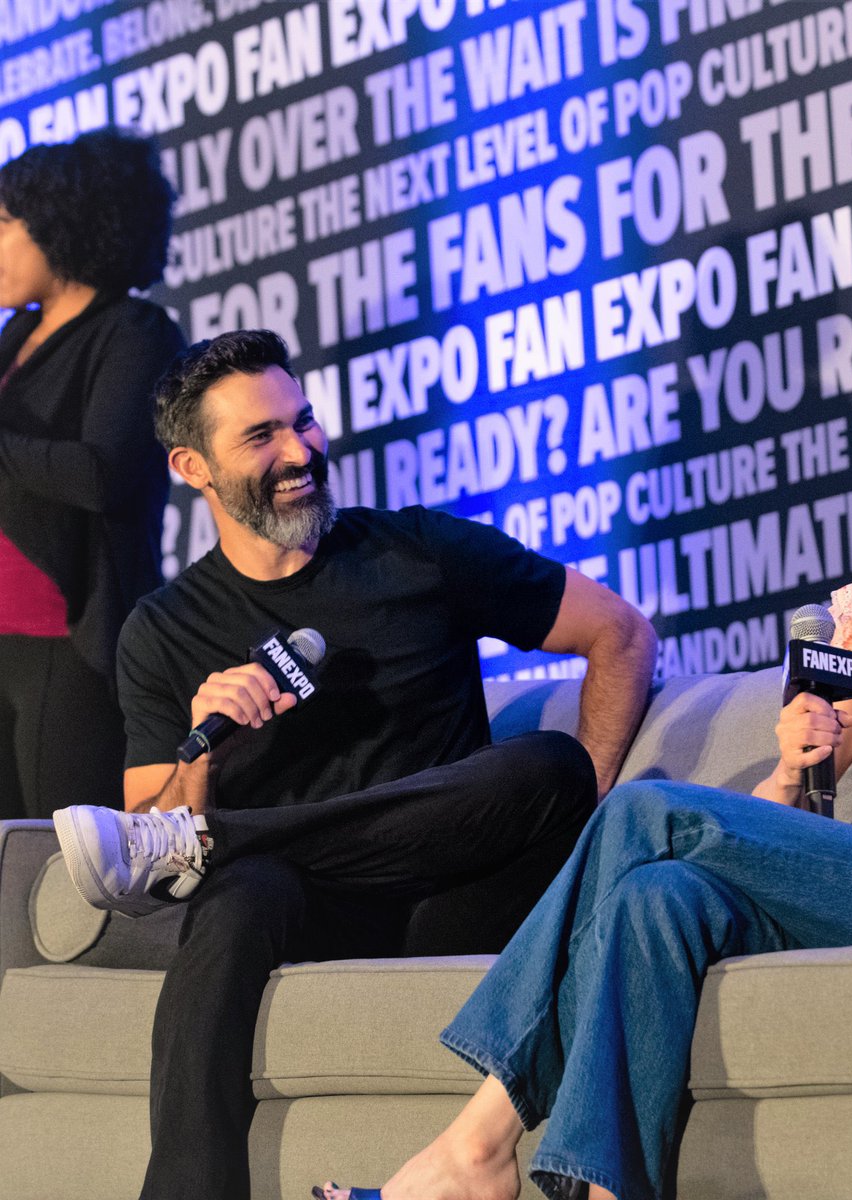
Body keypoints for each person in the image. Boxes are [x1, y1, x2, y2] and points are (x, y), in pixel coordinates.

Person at [312, 315, 852, 1200]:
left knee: (646, 814)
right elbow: (802, 815)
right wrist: (791, 765)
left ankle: (477, 1147)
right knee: (660, 896)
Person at [51, 328, 658, 1200]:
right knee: (234, 896)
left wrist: (595, 793)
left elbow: (620, 633)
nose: (300, 452)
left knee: (549, 767)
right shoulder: (162, 631)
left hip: (459, 889)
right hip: (314, 906)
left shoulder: (417, 552)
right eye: (261, 437)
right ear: (193, 469)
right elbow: (153, 846)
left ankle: (232, 839)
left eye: (302, 422)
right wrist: (202, 738)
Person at [0, 128, 185, 819]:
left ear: (60, 223)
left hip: (68, 648)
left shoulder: (136, 332)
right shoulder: (16, 337)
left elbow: (102, 475)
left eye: (3, 223)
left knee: (58, 873)